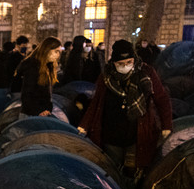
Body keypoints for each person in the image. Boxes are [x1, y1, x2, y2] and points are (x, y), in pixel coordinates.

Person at [78, 39, 172, 180]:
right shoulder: (106, 76)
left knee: (133, 171)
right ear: (113, 63)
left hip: (137, 132)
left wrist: (167, 125)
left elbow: (162, 99)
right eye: (120, 64)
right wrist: (84, 125)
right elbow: (96, 103)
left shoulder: (146, 73)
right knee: (111, 171)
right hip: (111, 133)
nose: (125, 66)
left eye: (129, 62)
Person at [14, 36, 63, 118]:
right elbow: (27, 95)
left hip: (42, 113)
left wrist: (47, 109)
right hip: (31, 115)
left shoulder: (48, 66)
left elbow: (47, 94)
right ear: (47, 50)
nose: (58, 55)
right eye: (56, 51)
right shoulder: (32, 66)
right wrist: (39, 111)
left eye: (59, 52)